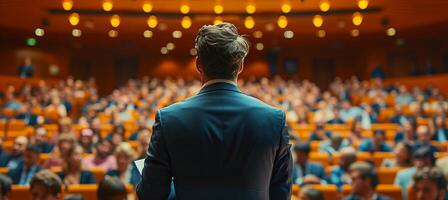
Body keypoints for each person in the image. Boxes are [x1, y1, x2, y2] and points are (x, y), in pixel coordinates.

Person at [137, 23, 292, 200]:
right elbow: (282, 194)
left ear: (198, 64)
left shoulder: (169, 119)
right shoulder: (274, 119)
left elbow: (150, 195)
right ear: (240, 65)